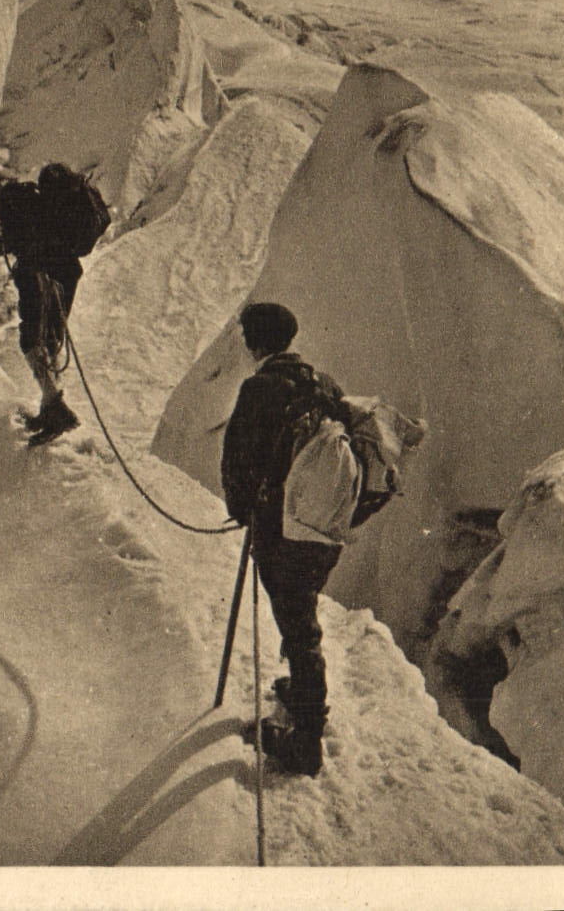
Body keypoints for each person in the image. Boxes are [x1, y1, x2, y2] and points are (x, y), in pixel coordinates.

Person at [221, 302, 350, 777]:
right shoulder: (324, 384)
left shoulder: (259, 389)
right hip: (324, 528)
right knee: (302, 613)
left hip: (283, 532)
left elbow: (236, 462)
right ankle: (301, 692)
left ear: (257, 343)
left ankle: (307, 743)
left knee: (298, 626)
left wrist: (243, 513)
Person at [0, 163, 107, 443]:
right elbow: (25, 236)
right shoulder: (22, 195)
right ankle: (51, 406)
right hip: (61, 273)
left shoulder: (10, 199)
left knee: (32, 340)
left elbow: (22, 242)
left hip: (44, 277)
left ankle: (55, 408)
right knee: (50, 339)